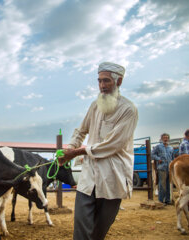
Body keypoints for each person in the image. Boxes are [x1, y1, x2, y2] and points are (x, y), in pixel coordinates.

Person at [58, 62, 138, 240]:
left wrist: (77, 153)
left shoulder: (128, 110)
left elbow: (112, 145)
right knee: (81, 228)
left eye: (106, 81)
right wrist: (70, 149)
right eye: (99, 81)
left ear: (119, 81)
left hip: (112, 177)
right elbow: (81, 130)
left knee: (98, 231)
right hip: (89, 177)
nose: (102, 85)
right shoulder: (95, 105)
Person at [151, 133, 174, 205]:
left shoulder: (171, 148)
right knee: (162, 184)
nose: (165, 139)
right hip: (162, 167)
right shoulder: (158, 147)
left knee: (168, 185)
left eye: (167, 137)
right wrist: (158, 159)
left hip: (169, 168)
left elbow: (173, 157)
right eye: (164, 137)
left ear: (168, 139)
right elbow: (152, 154)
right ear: (161, 139)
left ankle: (167, 200)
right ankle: (161, 200)